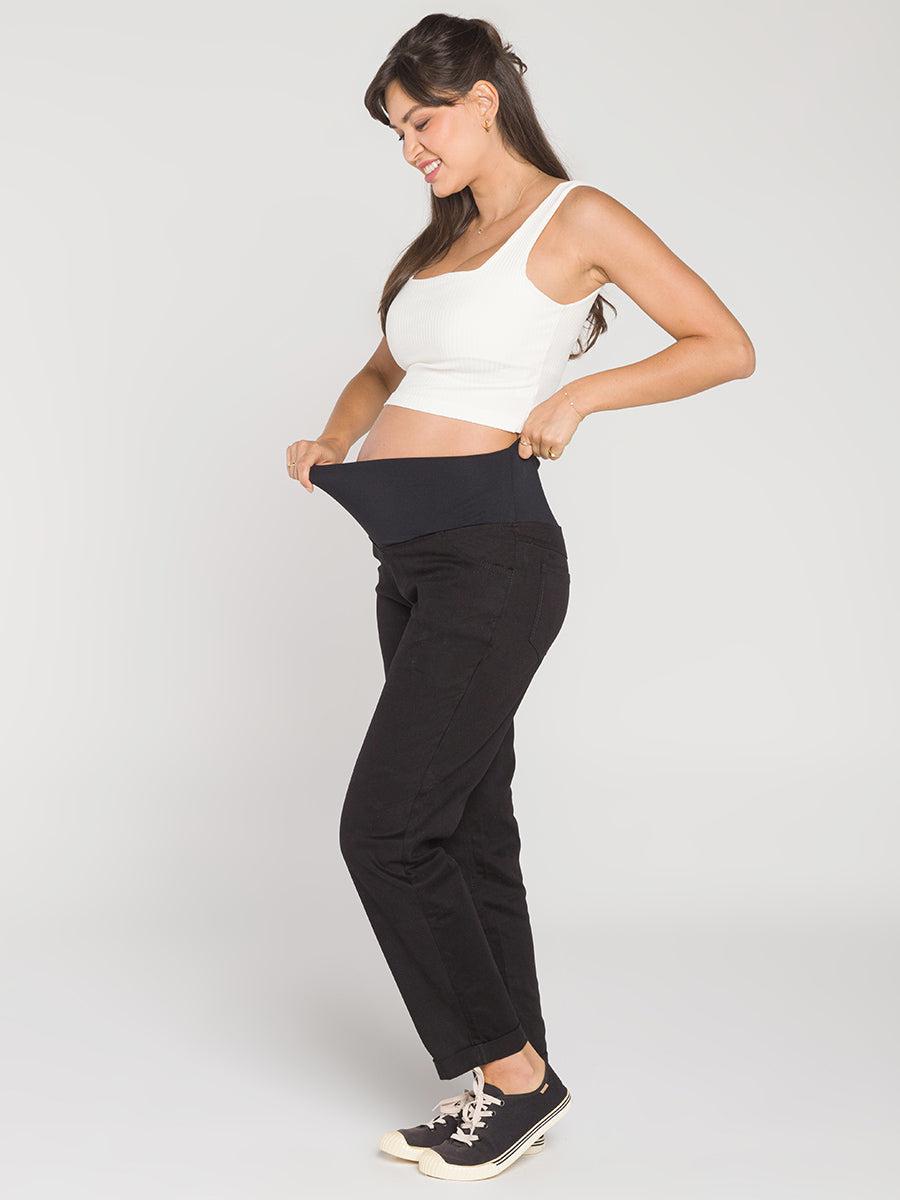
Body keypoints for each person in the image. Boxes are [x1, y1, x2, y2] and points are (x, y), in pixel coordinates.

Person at [285, 14, 754, 1183]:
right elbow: (385, 369)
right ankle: (514, 1082)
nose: (412, 150)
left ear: (485, 101)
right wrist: (336, 436)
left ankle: (512, 1078)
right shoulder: (444, 242)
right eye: (398, 133)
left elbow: (722, 343)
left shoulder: (575, 217)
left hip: (493, 558)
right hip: (408, 561)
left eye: (423, 122)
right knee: (465, 825)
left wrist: (581, 398)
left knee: (384, 830)